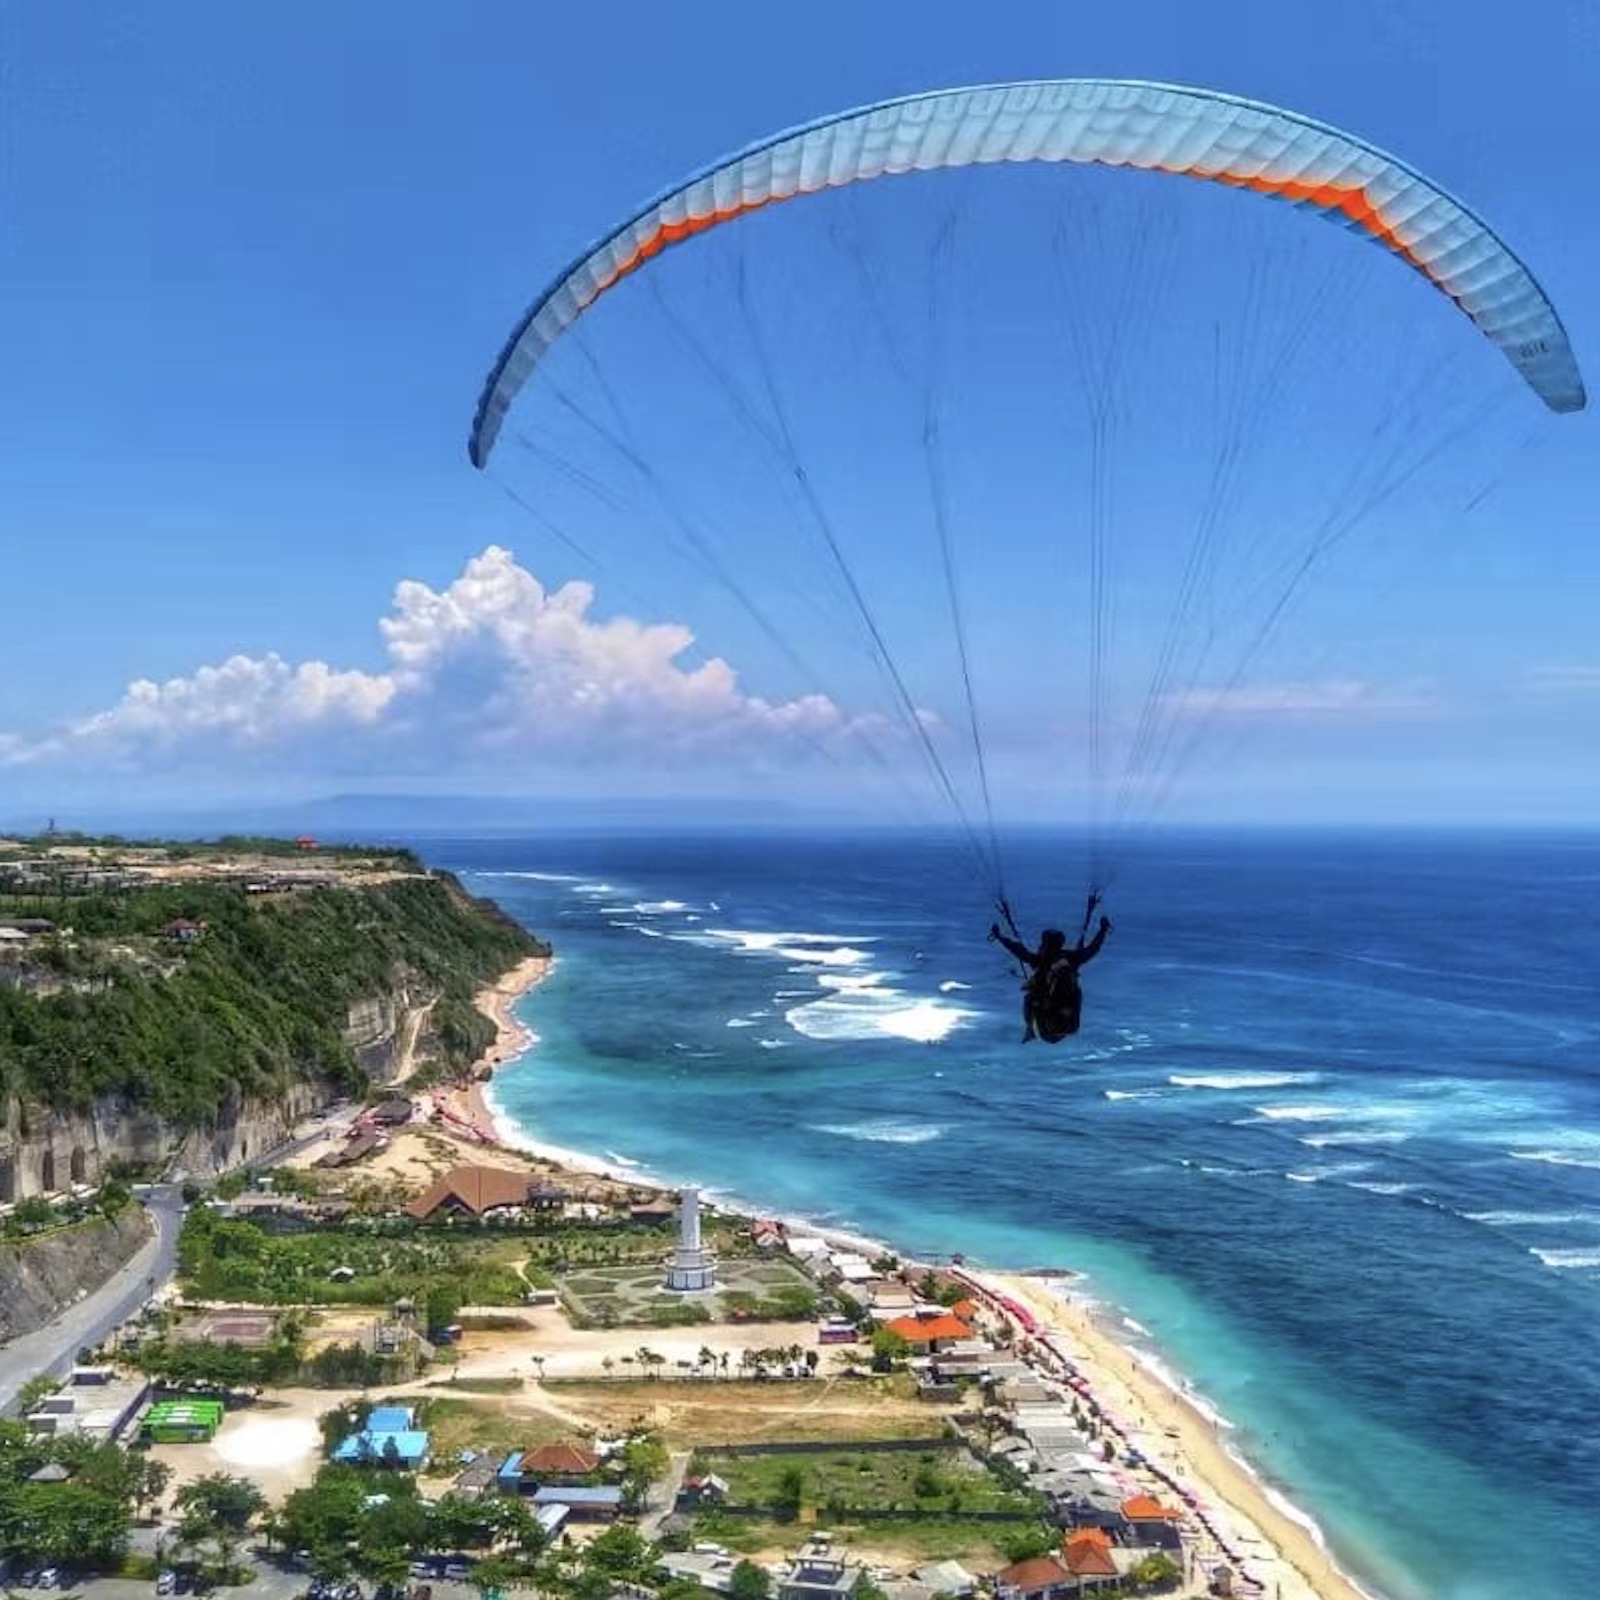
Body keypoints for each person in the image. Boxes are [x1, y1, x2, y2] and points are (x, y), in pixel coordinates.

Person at [989, 912, 1112, 1042]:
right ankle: (1030, 1029)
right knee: (1034, 995)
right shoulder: (1070, 958)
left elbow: (1019, 951)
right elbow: (1092, 949)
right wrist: (1103, 930)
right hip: (1059, 1022)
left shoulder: (1042, 960)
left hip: (1053, 1022)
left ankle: (1029, 1029)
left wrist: (999, 937)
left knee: (1031, 996)